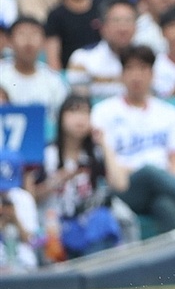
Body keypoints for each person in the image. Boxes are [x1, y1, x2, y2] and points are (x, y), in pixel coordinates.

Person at [90, 44, 175, 234]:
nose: (136, 76)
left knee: (166, 205)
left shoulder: (169, 113)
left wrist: (163, 181)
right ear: (121, 74)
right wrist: (150, 173)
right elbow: (108, 169)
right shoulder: (103, 112)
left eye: (142, 69)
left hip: (161, 187)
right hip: (123, 189)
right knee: (150, 172)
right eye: (130, 69)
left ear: (152, 74)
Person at [30, 94, 127, 260]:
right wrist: (59, 179)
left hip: (89, 228)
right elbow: (31, 198)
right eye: (73, 111)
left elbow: (121, 184)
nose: (80, 118)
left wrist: (103, 143)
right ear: (60, 117)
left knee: (103, 221)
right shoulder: (47, 154)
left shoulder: (94, 154)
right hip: (54, 229)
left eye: (85, 112)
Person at [0, 16, 68, 121]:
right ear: (10, 41)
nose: (28, 40)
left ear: (44, 41)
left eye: (34, 34)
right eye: (22, 34)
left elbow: (62, 119)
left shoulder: (54, 80)